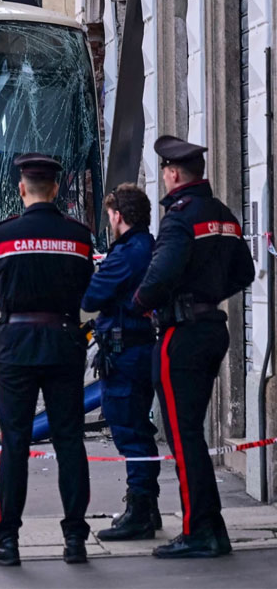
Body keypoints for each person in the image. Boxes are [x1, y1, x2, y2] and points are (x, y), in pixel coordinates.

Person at [134, 135, 255, 558]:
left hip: (180, 335)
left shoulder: (180, 218)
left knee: (184, 438)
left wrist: (140, 303)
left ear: (172, 173)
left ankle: (200, 529)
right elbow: (246, 272)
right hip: (212, 328)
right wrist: (209, 294)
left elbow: (161, 274)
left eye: (165, 172)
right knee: (193, 435)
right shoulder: (222, 214)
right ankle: (211, 527)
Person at [0, 153, 94, 567]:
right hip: (63, 343)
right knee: (69, 442)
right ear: (57, 189)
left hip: (17, 346)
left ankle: (8, 540)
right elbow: (88, 287)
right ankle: (76, 540)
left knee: (14, 444)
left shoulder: (5, 234)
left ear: (22, 188)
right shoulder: (79, 237)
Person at [81, 183, 161, 540]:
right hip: (137, 347)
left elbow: (94, 294)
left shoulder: (128, 252)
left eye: (111, 215)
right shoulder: (146, 245)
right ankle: (146, 506)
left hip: (126, 351)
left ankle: (140, 511)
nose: (109, 221)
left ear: (119, 216)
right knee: (137, 429)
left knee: (129, 429)